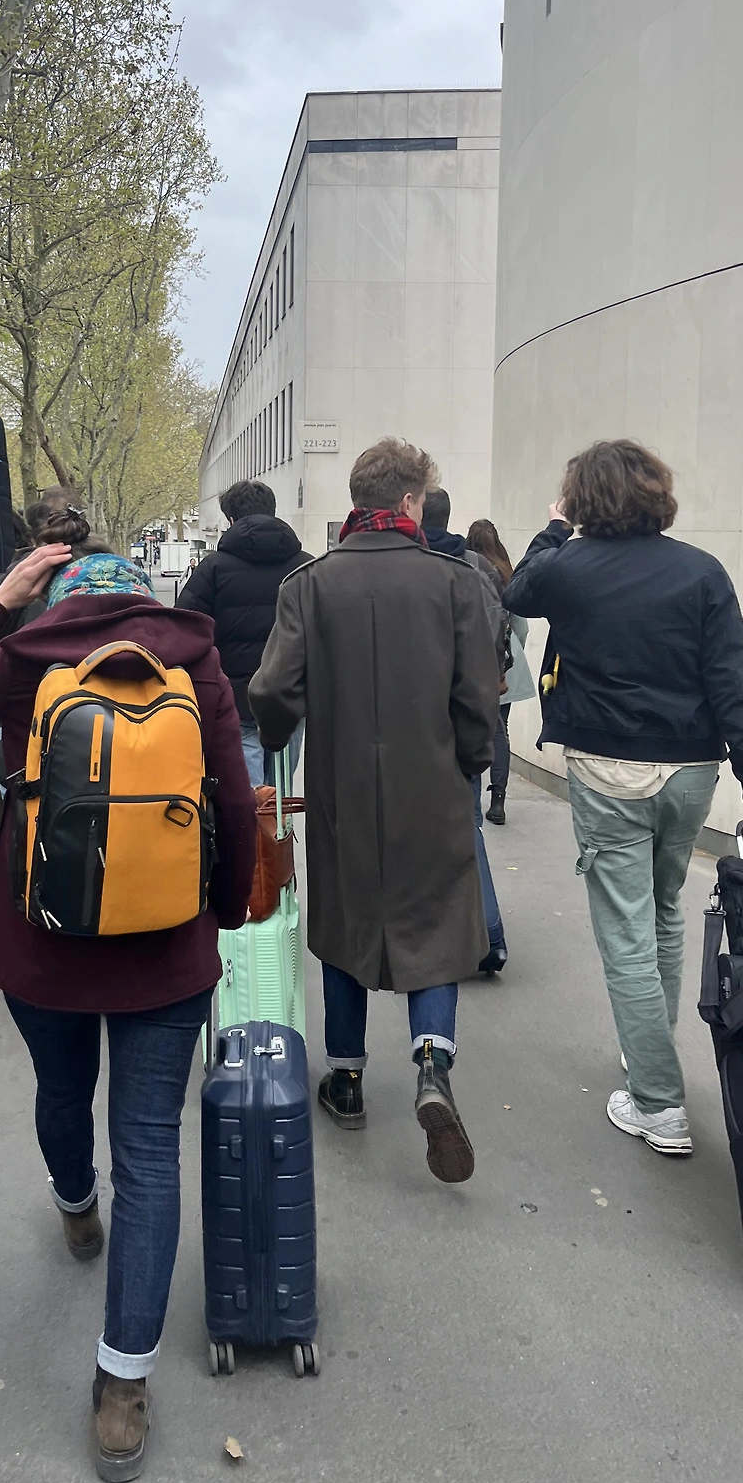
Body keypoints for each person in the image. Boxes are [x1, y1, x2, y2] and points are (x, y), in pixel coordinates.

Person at [0, 547, 254, 1483]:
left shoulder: (29, 656)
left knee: (61, 1089)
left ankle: (74, 1205)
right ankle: (122, 1385)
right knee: (150, 1150)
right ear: (142, 593)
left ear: (56, 597)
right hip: (166, 952)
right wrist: (218, 916)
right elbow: (231, 798)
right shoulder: (195, 660)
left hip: (44, 946)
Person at [503, 440, 743, 1157]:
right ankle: (646, 1045)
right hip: (692, 771)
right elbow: (733, 682)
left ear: (581, 500)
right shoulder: (702, 571)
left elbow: (516, 591)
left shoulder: (567, 566)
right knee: (661, 910)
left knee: (625, 928)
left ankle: (658, 1103)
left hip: (608, 771)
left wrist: (554, 527)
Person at [249, 439, 498, 1183]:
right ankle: (432, 1064)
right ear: (412, 501)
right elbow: (478, 698)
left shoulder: (309, 584)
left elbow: (271, 689)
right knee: (438, 920)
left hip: (342, 789)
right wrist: (471, 763)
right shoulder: (456, 583)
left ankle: (348, 1078)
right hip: (434, 786)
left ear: (359, 501)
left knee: (346, 922)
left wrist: (277, 738)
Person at [0, 493, 110, 896]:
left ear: (33, 533)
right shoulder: (108, 575)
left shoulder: (8, 584)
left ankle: (0, 864)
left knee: (14, 798)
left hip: (18, 720)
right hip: (97, 721)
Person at [423, 488, 510, 975]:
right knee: (467, 824)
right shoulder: (477, 567)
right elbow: (496, 633)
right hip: (471, 708)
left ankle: (443, 934)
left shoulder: (413, 566)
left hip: (421, 716)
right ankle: (489, 935)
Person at [176, 479, 311, 788]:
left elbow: (184, 630)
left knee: (246, 794)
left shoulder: (212, 568)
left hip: (235, 700)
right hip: (290, 698)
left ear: (231, 519)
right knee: (281, 796)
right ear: (273, 512)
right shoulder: (306, 567)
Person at [466, 519, 536, 826]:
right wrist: (511, 654)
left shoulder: (467, 569)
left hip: (473, 659)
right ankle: (498, 799)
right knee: (500, 731)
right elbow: (522, 627)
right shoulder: (508, 574)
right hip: (506, 661)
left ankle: (471, 794)